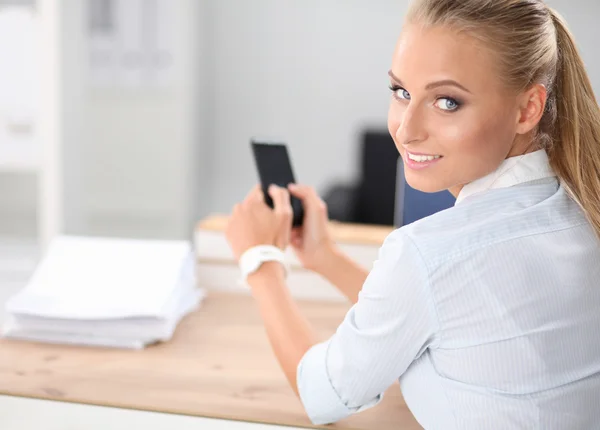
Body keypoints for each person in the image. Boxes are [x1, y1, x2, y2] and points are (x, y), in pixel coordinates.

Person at [225, 0, 600, 428]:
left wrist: (259, 262)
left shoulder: (428, 253)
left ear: (528, 109)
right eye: (402, 92)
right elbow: (440, 311)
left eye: (447, 102)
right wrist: (324, 257)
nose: (406, 130)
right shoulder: (582, 210)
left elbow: (320, 393)